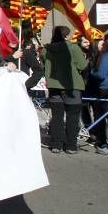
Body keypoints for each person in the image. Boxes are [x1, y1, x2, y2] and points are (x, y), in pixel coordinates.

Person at [43, 25, 88, 154]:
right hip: (71, 86)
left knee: (57, 116)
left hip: (53, 86)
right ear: (67, 36)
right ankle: (71, 145)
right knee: (72, 116)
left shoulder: (47, 49)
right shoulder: (73, 48)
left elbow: (44, 64)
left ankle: (56, 144)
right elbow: (82, 65)